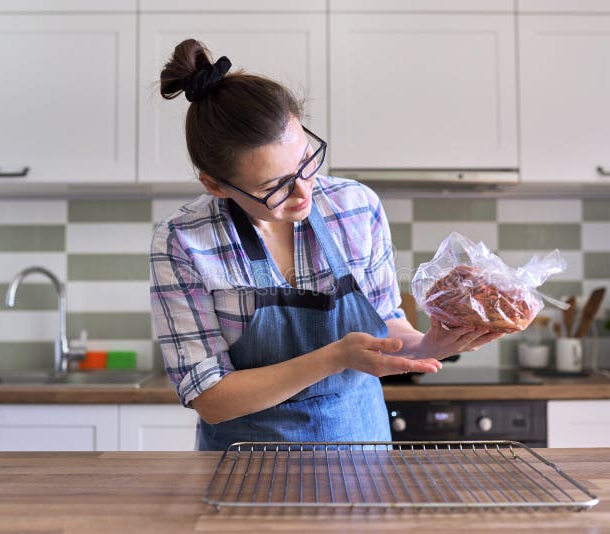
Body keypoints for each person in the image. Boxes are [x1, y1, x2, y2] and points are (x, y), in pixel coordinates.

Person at [150, 39, 504, 451]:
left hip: (360, 454)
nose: (304, 191)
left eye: (305, 162)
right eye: (274, 186)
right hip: (244, 469)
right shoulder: (184, 241)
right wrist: (334, 357)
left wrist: (429, 344)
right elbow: (211, 398)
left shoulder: (355, 206)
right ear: (214, 184)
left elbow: (383, 322)